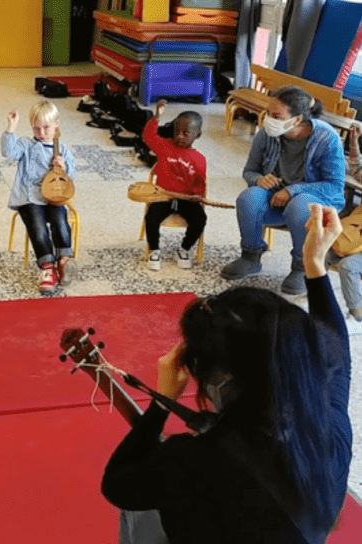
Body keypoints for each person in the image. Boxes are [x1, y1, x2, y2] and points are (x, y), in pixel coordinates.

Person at [102, 202, 351, 544]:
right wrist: (315, 264)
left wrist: (161, 405)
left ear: (223, 380)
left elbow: (118, 484)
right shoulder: (330, 428)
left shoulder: (194, 461)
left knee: (136, 511)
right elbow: (338, 351)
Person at [221, 85, 346, 295]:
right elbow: (249, 171)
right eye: (268, 112)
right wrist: (259, 179)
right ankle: (250, 256)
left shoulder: (327, 138)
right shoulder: (267, 134)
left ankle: (302, 266)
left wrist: (293, 190)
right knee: (248, 198)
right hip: (275, 199)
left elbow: (334, 187)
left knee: (299, 206)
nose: (268, 118)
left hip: (315, 201)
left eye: (276, 115)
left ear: (297, 119)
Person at [2, 100, 77, 292]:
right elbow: (8, 152)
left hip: (53, 198)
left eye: (46, 127)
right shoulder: (26, 145)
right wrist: (11, 128)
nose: (41, 133)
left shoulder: (62, 150)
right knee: (38, 226)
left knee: (60, 219)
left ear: (56, 125)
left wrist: (64, 168)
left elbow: (72, 178)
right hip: (29, 198)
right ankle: (47, 266)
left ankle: (64, 259)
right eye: (37, 129)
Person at [141, 100, 206, 271]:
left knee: (200, 219)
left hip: (187, 199)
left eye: (186, 133)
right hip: (163, 196)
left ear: (198, 135)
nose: (179, 137)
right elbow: (148, 136)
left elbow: (200, 183)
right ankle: (154, 250)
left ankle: (184, 249)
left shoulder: (200, 159)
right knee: (151, 218)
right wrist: (157, 117)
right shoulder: (164, 146)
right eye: (177, 132)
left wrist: (198, 195)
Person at [326, 124, 362, 333]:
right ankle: (317, 297)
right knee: (319, 250)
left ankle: (356, 316)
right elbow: (357, 170)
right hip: (355, 236)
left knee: (348, 266)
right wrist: (354, 143)